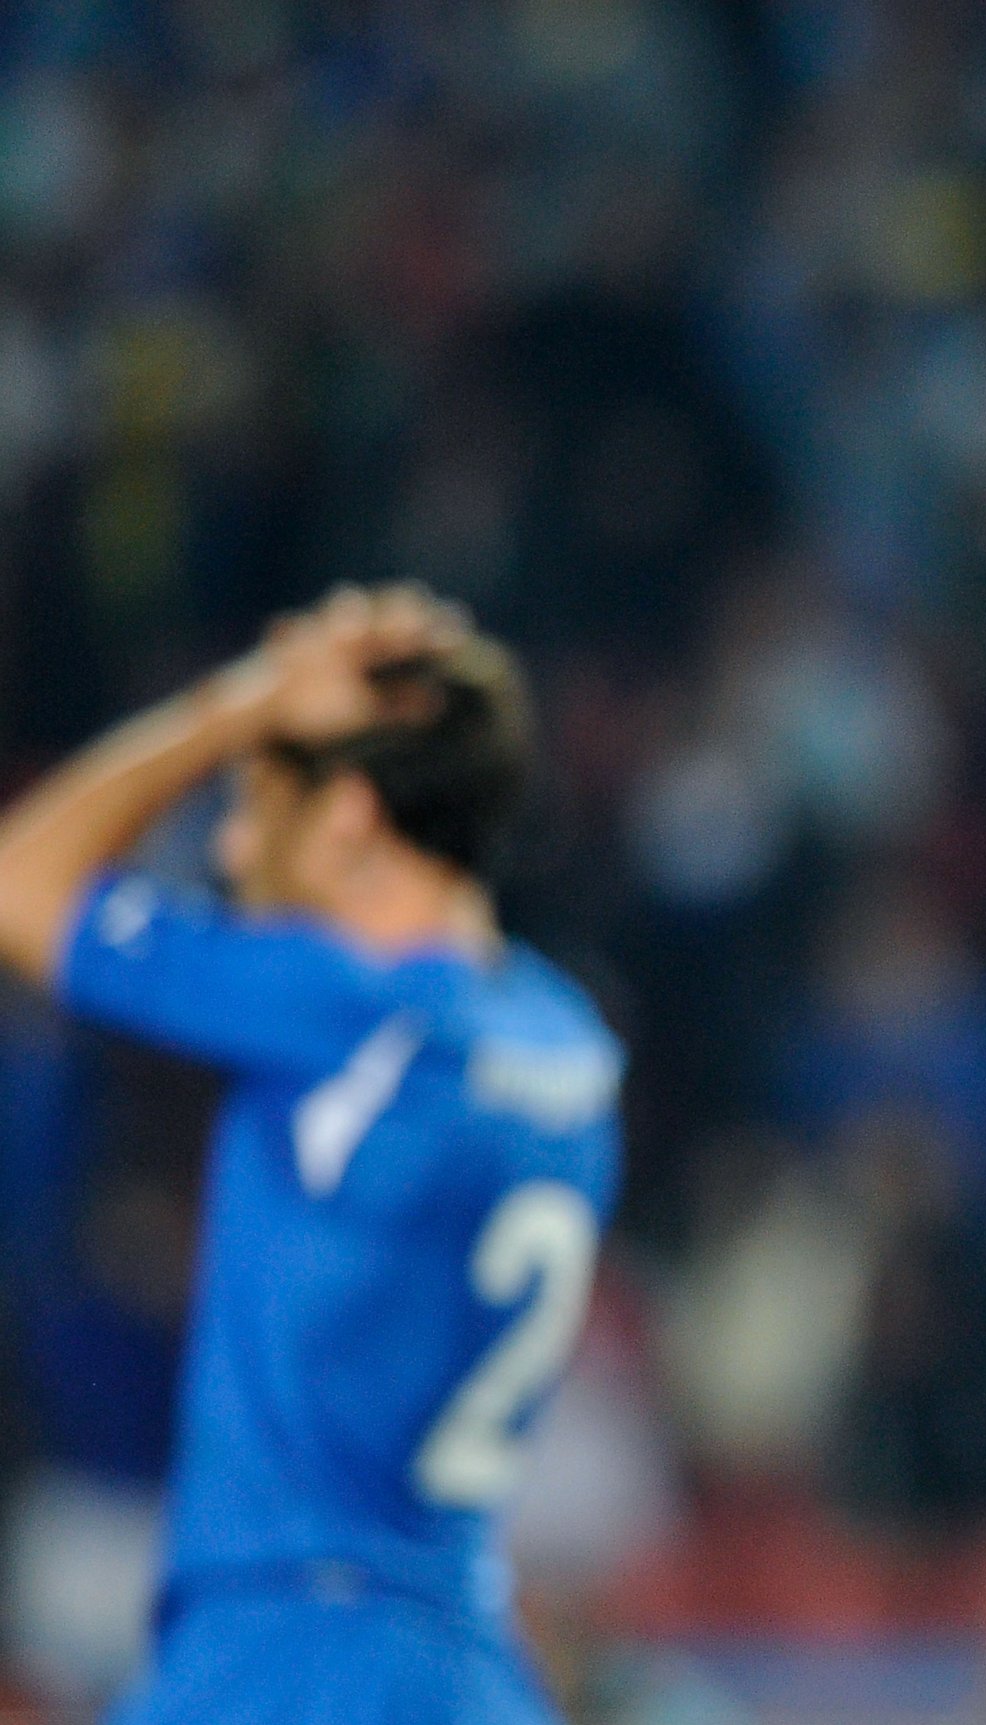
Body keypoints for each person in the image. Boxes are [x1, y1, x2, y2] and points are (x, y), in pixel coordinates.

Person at [0, 587, 623, 1723]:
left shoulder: (349, 1013)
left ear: (347, 819)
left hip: (282, 1652)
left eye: (255, 801)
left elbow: (23, 882)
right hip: (467, 1667)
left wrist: (236, 705)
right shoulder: (568, 1047)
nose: (232, 851)